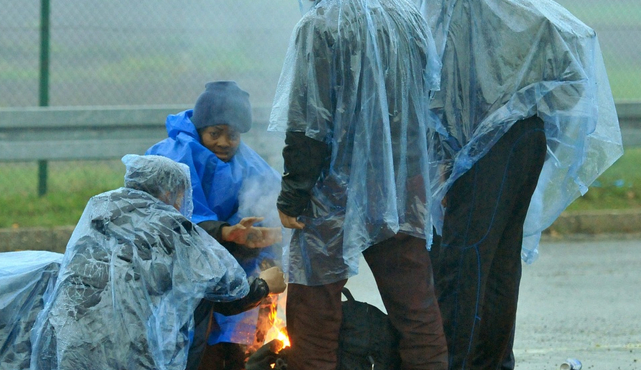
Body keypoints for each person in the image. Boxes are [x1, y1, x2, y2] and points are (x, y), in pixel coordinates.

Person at [412, 0, 624, 368]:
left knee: (464, 259)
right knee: (498, 261)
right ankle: (490, 361)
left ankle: (454, 361)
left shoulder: (467, 7)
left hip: (489, 141)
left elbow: (442, 78)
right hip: (518, 136)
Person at [269, 0, 448, 369]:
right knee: (415, 303)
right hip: (401, 186)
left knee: (315, 307)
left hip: (334, 188)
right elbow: (427, 99)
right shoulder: (408, 17)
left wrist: (292, 195)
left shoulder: (320, 25)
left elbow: (308, 119)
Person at [30, 154, 285, 370]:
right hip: (131, 355)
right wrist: (265, 284)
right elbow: (227, 294)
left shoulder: (99, 210)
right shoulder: (173, 228)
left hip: (65, 347)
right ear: (170, 192)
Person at [146, 81, 286, 369]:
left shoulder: (245, 160)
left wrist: (271, 234)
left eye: (232, 135)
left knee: (232, 336)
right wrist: (225, 232)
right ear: (199, 129)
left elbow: (271, 197)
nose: (223, 142)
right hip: (178, 265)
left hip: (225, 257)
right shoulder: (175, 155)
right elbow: (173, 221)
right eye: (214, 133)